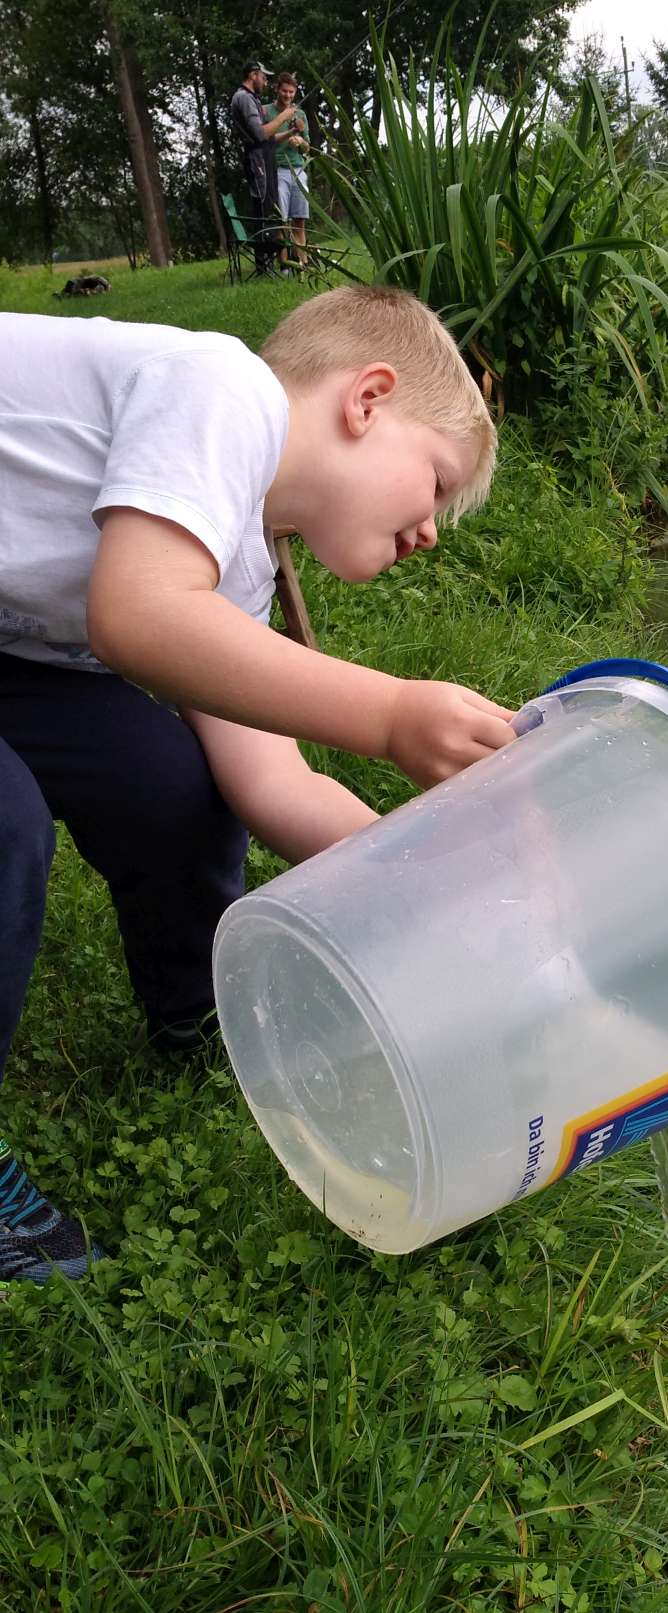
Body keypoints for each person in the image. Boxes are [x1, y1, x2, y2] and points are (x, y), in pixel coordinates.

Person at [0, 285, 510, 1286]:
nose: (430, 531)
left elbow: (269, 780)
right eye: (438, 483)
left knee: (172, 786)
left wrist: (429, 874)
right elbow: (137, 616)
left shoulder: (235, 569)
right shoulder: (222, 388)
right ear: (367, 398)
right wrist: (392, 715)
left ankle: (193, 1014)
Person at [228, 60, 301, 275]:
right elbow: (261, 134)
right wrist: (284, 116)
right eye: (264, 77)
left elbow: (268, 139)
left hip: (264, 157)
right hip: (257, 161)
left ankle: (268, 265)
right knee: (263, 210)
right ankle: (264, 267)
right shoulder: (243, 98)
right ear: (253, 75)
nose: (266, 81)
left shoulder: (251, 98)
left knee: (270, 209)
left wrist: (291, 132)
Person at [272, 71, 310, 271]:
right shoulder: (266, 111)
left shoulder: (300, 114)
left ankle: (303, 264)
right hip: (278, 170)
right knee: (282, 221)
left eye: (291, 92)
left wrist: (300, 141)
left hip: (299, 170)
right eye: (284, 91)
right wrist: (290, 132)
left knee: (299, 219)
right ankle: (285, 266)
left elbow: (307, 148)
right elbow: (264, 138)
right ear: (277, 89)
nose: (287, 95)